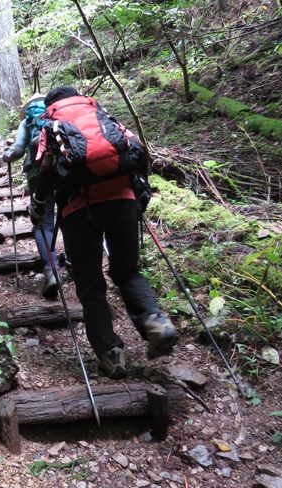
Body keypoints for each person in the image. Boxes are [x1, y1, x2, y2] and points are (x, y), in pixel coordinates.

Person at [31, 85, 179, 380]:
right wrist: (139, 193)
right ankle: (156, 323)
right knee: (127, 272)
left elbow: (46, 169)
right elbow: (137, 149)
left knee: (90, 285)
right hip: (123, 202)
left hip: (79, 210)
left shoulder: (52, 124)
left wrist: (38, 204)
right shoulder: (101, 115)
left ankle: (111, 355)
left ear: (51, 105)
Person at [2, 93, 61, 299]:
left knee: (43, 223)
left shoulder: (29, 120)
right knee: (71, 218)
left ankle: (51, 271)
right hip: (67, 172)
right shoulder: (59, 114)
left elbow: (18, 151)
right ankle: (75, 263)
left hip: (39, 173)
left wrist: (7, 155)